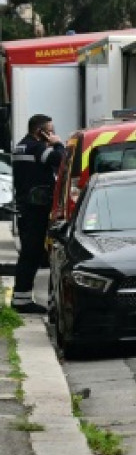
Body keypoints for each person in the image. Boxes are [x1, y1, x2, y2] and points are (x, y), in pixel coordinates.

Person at [8, 114, 65, 314]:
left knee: (31, 255)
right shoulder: (36, 147)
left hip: (27, 207)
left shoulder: (22, 146)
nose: (53, 132)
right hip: (35, 209)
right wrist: (58, 144)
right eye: (50, 129)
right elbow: (60, 160)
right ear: (39, 131)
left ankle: (21, 298)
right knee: (31, 254)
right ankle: (21, 301)